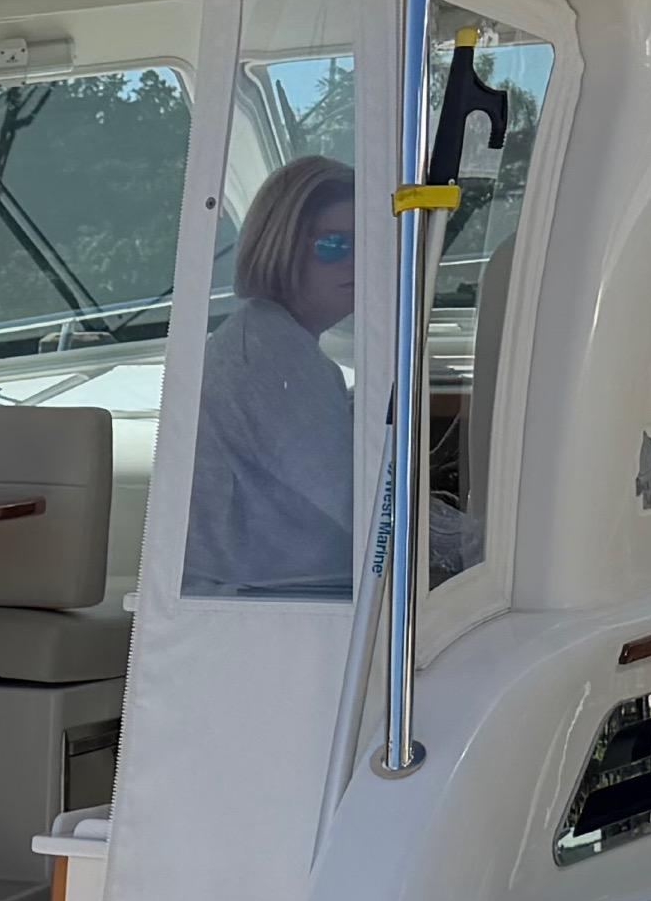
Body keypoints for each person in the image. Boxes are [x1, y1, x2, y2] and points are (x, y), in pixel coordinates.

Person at [181, 153, 482, 600]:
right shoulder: (272, 353)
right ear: (280, 246)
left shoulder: (268, 337)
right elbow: (364, 508)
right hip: (269, 608)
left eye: (367, 246)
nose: (354, 263)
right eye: (333, 246)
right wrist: (488, 545)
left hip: (272, 595)